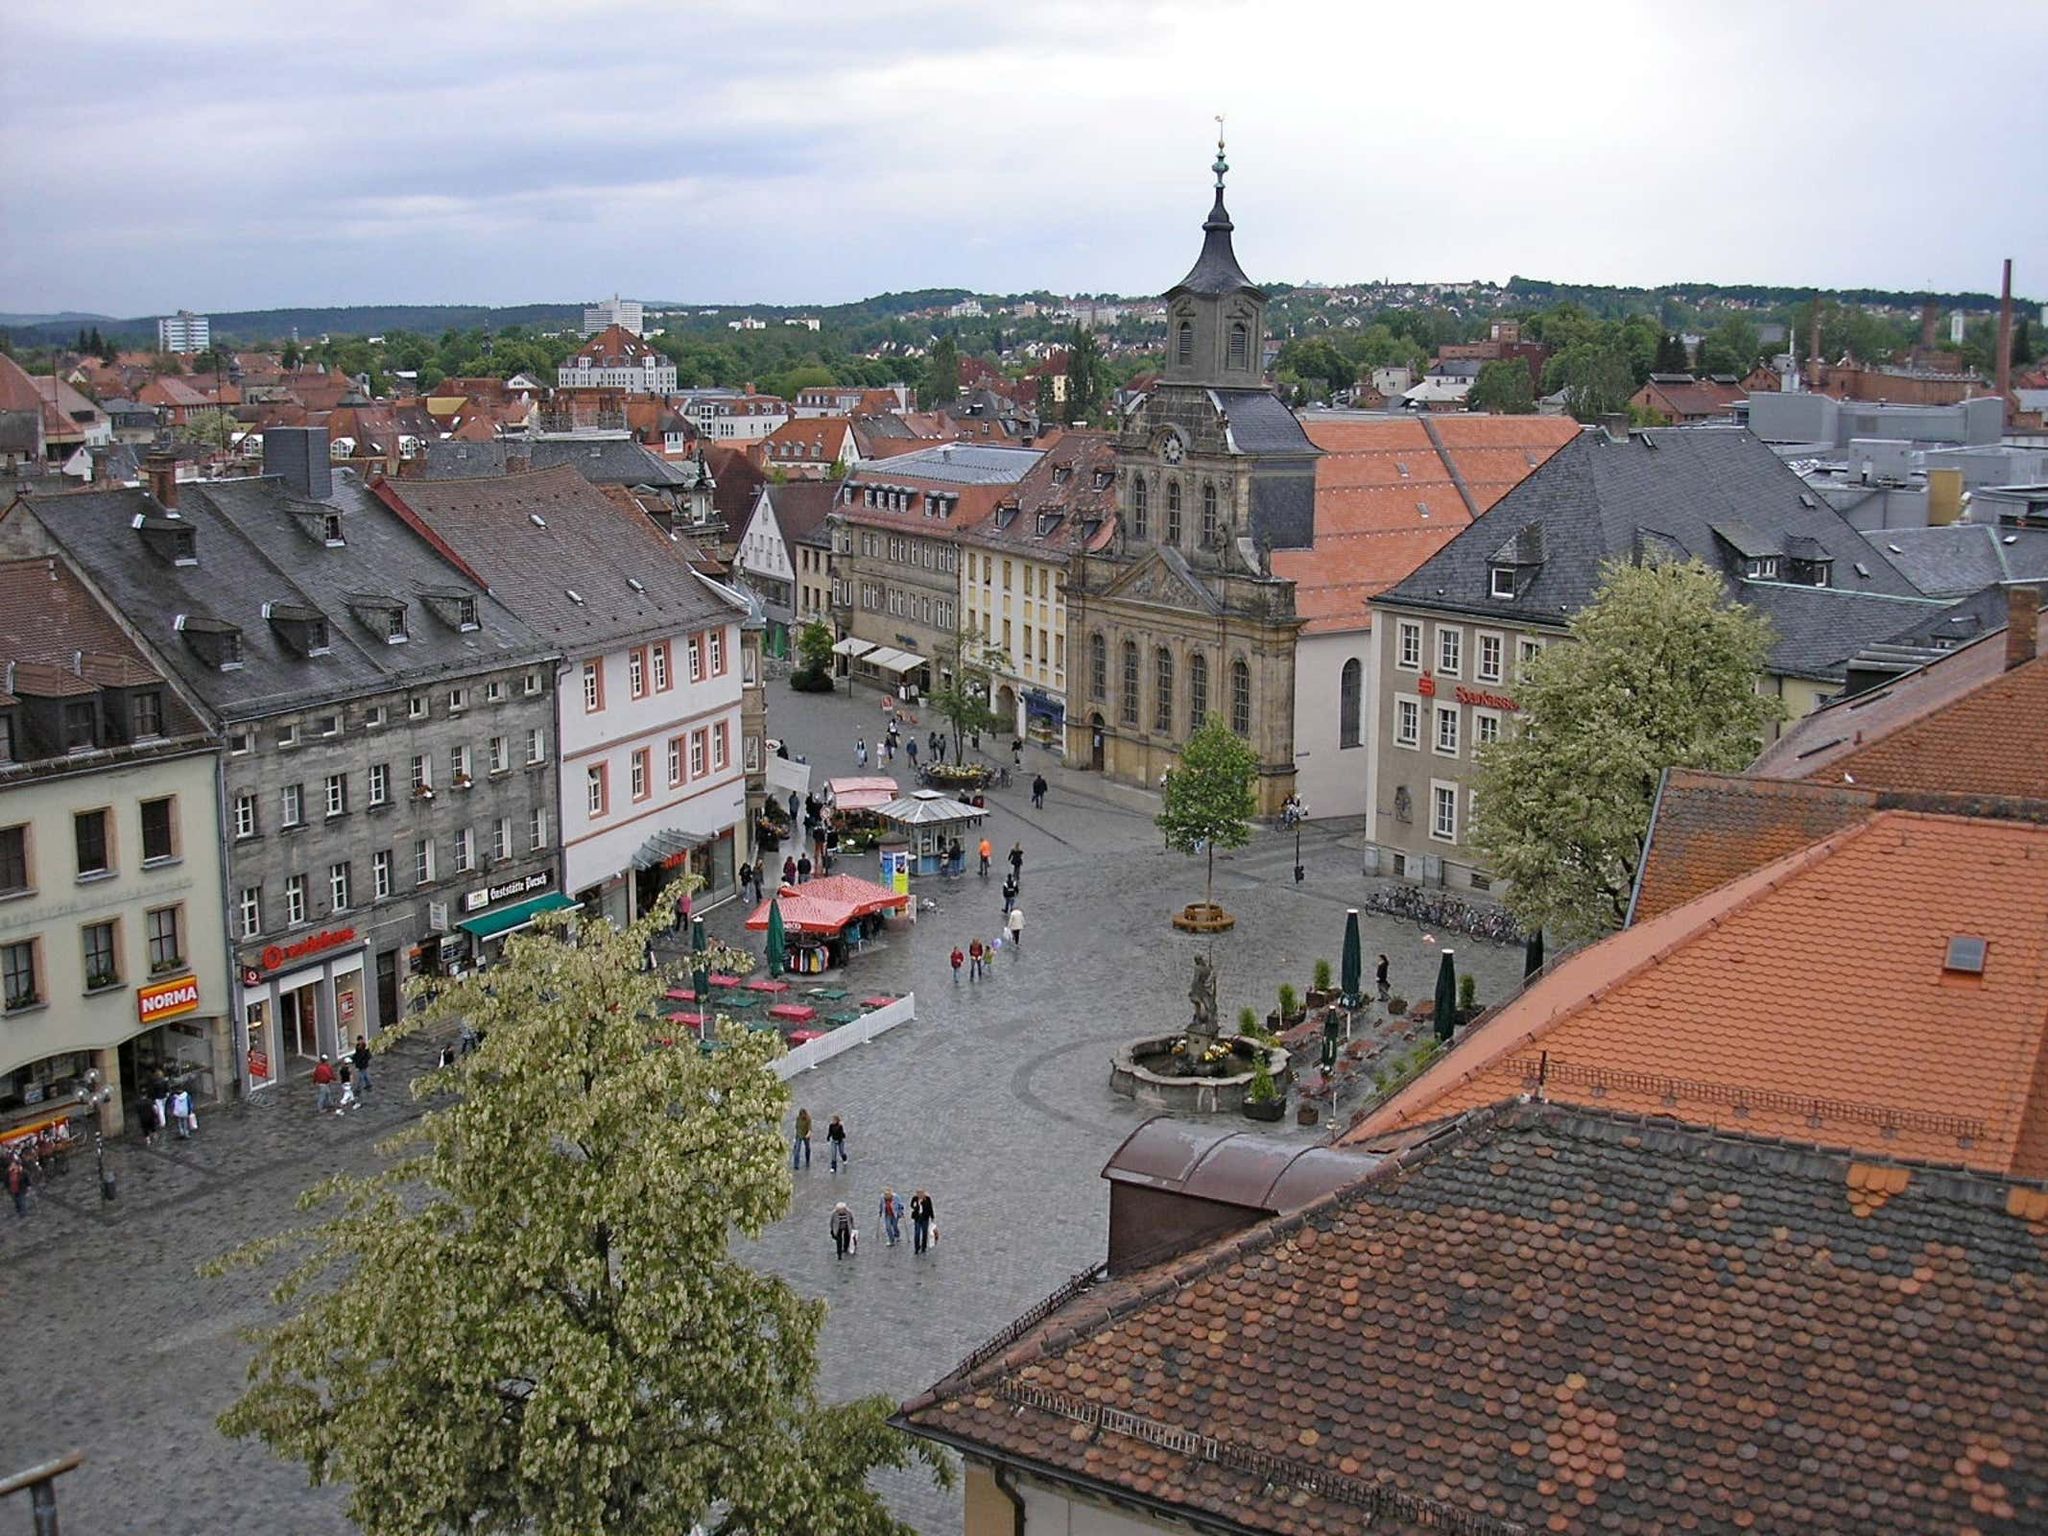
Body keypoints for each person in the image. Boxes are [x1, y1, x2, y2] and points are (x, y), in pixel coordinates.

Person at [909, 1189, 936, 1254]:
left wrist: (932, 1216)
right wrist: (915, 1206)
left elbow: (930, 1208)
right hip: (917, 1218)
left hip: (925, 1218)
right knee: (917, 1233)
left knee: (924, 1233)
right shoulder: (915, 1198)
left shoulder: (927, 1199)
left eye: (921, 1194)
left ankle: (923, 1247)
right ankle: (917, 1247)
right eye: (918, 1194)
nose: (920, 1195)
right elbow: (912, 1205)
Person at [7, 1154, 29, 1220]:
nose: (12, 1166)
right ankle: (19, 1210)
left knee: (21, 1201)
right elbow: (6, 1180)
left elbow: (27, 1180)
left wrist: (28, 1187)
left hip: (21, 1189)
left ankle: (23, 1213)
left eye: (13, 1165)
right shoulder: (10, 1173)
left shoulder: (22, 1172)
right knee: (16, 1201)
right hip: (13, 1189)